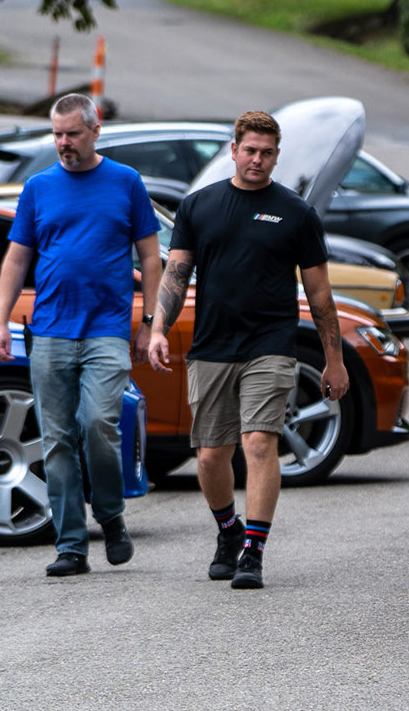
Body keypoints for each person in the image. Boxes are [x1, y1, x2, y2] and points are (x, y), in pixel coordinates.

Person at [147, 111, 348, 590]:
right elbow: (176, 275)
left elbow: (320, 295)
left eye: (267, 152)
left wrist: (334, 360)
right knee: (210, 456)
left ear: (277, 157)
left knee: (258, 443)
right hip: (212, 346)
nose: (257, 159)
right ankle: (228, 530)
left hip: (270, 345)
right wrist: (158, 330)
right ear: (234, 151)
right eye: (250, 150)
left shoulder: (296, 213)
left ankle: (253, 551)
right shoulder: (198, 206)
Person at [0, 93, 163, 578]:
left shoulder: (126, 182)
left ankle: (109, 514)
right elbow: (17, 259)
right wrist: (1, 322)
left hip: (107, 328)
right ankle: (70, 545)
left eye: (72, 133)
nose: (64, 143)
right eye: (57, 134)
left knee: (98, 426)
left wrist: (150, 322)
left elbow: (151, 257)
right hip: (49, 331)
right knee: (57, 440)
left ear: (95, 130)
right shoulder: (38, 187)